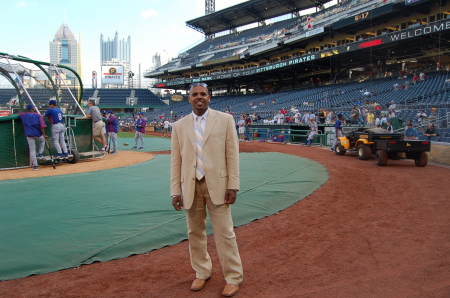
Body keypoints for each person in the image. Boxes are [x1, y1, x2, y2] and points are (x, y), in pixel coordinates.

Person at [170, 83, 243, 297]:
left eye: (203, 94)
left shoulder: (225, 119)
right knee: (194, 233)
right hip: (191, 186)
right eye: (194, 95)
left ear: (209, 97)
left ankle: (233, 277)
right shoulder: (179, 126)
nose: (199, 97)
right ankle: (202, 271)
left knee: (225, 233)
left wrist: (233, 185)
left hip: (219, 186)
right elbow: (176, 161)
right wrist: (176, 190)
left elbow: (232, 155)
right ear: (189, 99)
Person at [19, 104, 47, 171]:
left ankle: (35, 166)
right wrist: (44, 134)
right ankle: (40, 153)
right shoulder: (38, 115)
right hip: (37, 134)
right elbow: (42, 126)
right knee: (43, 140)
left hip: (29, 135)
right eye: (34, 108)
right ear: (32, 109)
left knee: (32, 150)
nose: (35, 108)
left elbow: (19, 114)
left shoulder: (23, 115)